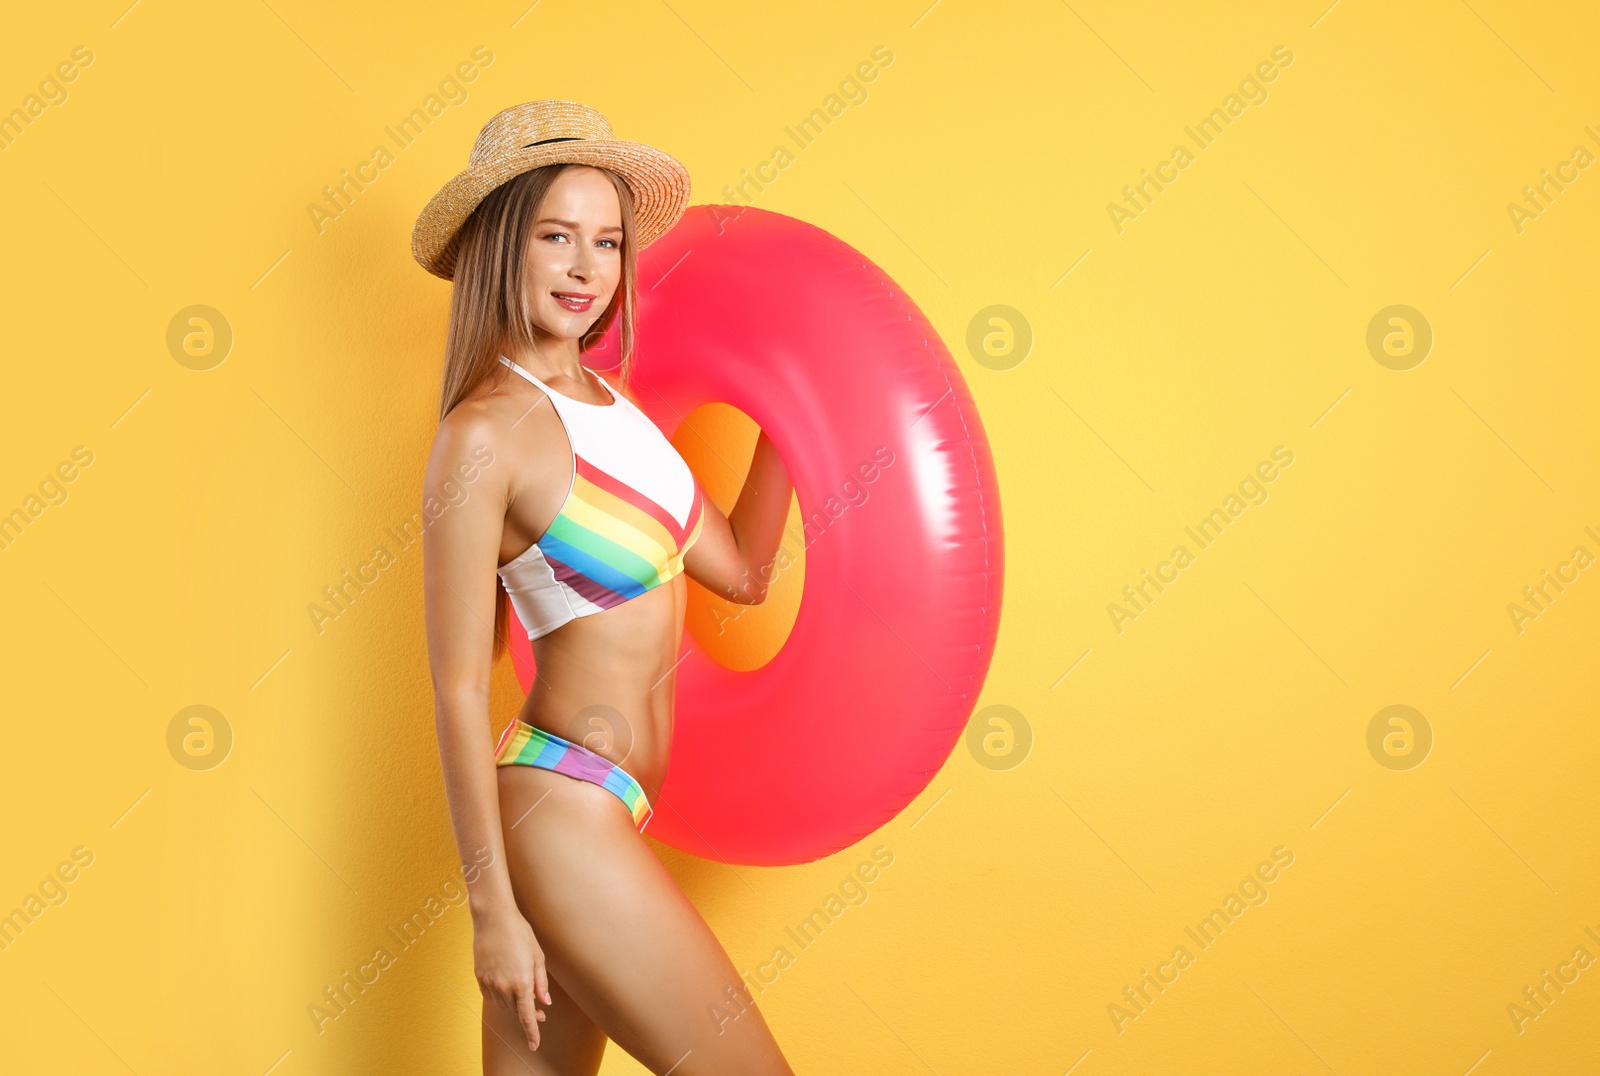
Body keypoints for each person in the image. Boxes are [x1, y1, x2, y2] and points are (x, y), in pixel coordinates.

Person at [413, 101, 796, 1074]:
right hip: (558, 810)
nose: (586, 269)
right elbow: (458, 685)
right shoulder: (485, 432)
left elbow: (742, 573)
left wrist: (799, 420)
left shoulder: (619, 406)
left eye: (607, 242)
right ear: (505, 245)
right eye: (555, 237)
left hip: (617, 811)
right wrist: (491, 910)